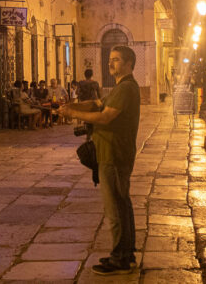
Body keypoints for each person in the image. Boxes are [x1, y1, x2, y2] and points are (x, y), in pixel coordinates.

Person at [61, 46, 141, 275]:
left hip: (114, 155)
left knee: (115, 207)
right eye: (110, 60)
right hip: (111, 153)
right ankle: (126, 254)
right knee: (122, 204)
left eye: (116, 60)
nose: (110, 64)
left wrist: (73, 115)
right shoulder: (121, 88)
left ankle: (120, 259)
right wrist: (72, 106)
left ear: (128, 64)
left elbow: (105, 116)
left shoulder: (126, 88)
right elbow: (97, 104)